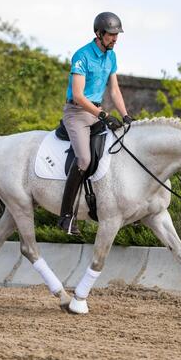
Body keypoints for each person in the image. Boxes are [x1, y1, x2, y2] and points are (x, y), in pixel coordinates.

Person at [58, 12, 133, 235]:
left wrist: (126, 115)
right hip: (77, 112)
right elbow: (79, 96)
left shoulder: (111, 57)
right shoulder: (82, 56)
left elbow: (114, 90)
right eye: (111, 35)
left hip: (96, 111)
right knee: (84, 158)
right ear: (99, 34)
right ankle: (66, 217)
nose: (115, 39)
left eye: (117, 35)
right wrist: (103, 115)